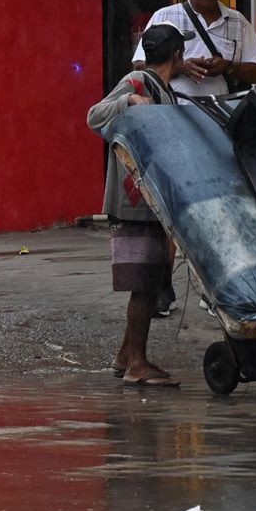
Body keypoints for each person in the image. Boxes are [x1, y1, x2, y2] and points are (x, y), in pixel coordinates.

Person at [132, 0, 256, 318]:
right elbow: (139, 66)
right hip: (173, 123)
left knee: (221, 208)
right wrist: (177, 66)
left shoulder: (236, 23)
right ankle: (162, 284)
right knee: (175, 208)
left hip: (221, 127)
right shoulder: (166, 17)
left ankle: (220, 287)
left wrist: (229, 66)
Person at [87, 23, 186, 387]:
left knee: (153, 277)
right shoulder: (137, 83)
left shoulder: (164, 89)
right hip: (135, 200)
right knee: (143, 283)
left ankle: (126, 354)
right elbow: (95, 115)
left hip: (151, 199)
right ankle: (138, 365)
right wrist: (127, 101)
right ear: (177, 55)